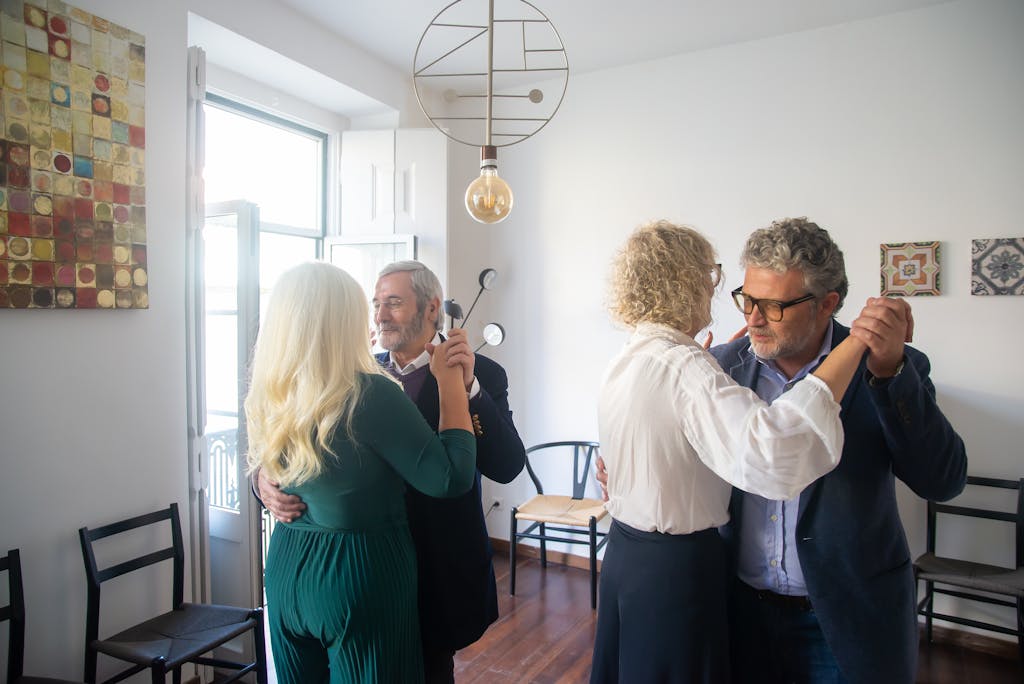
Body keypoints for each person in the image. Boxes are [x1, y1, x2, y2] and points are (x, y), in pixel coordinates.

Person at [591, 220, 872, 684]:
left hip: (628, 557)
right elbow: (772, 452)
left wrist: (706, 365)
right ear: (686, 281)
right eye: (711, 276)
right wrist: (853, 346)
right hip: (675, 569)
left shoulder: (633, 355)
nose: (715, 290)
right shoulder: (685, 367)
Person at [712, 218, 966, 684]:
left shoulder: (888, 366)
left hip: (848, 622)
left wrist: (891, 375)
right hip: (739, 615)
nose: (751, 318)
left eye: (773, 305)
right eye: (747, 298)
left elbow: (943, 481)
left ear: (826, 304)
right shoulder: (722, 368)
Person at [258, 260, 526, 683]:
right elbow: (294, 444)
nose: (380, 314)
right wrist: (263, 483)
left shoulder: (483, 374)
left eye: (394, 303)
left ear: (432, 307)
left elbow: (509, 465)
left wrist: (468, 390)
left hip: (437, 570)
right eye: (376, 303)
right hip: (359, 572)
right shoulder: (354, 373)